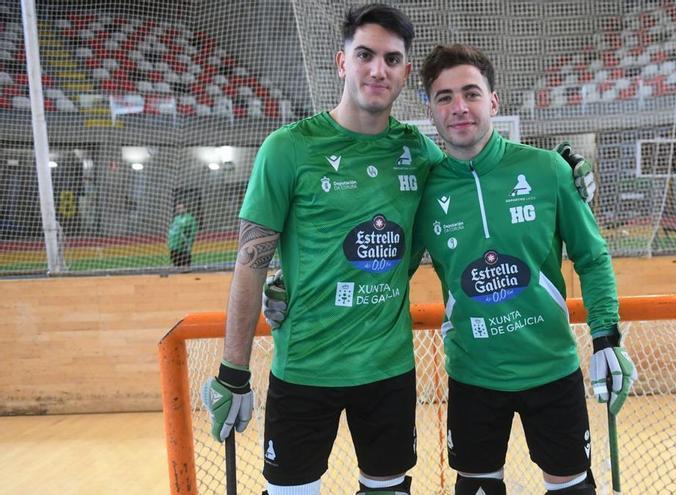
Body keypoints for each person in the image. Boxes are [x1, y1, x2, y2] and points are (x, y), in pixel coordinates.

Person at [201, 5, 443, 494]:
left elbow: (480, 177)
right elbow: (250, 265)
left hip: (388, 370)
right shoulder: (288, 148)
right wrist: (233, 372)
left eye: (392, 59)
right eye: (365, 55)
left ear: (404, 73)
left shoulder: (419, 153)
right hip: (306, 369)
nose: (378, 69)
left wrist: (559, 176)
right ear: (341, 62)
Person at [406, 44, 637, 495]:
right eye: (444, 97)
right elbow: (384, 268)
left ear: (493, 101)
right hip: (473, 375)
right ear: (430, 111)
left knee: (572, 488)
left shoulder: (548, 169)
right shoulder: (422, 192)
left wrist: (606, 337)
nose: (459, 108)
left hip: (552, 370)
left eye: (471, 93)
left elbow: (591, 257)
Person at [167, 202, 198, 267]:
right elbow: (172, 230)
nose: (179, 210)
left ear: (185, 209)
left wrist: (189, 242)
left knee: (185, 266)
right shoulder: (176, 219)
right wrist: (170, 241)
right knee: (176, 266)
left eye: (180, 208)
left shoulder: (190, 218)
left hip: (184, 246)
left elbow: (193, 231)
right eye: (177, 209)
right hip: (174, 246)